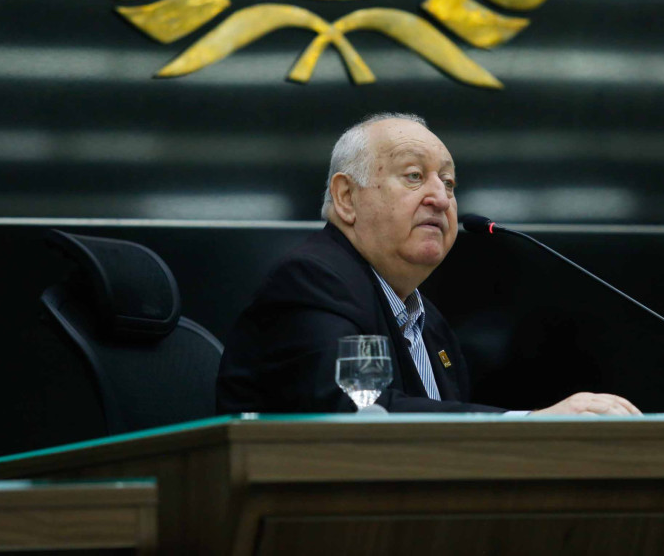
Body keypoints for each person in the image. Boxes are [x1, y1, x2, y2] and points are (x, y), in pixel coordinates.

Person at [216, 113, 640, 416]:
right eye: (415, 176)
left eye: (449, 182)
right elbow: (360, 414)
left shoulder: (427, 320)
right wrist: (529, 424)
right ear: (347, 198)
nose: (441, 197)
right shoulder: (313, 281)